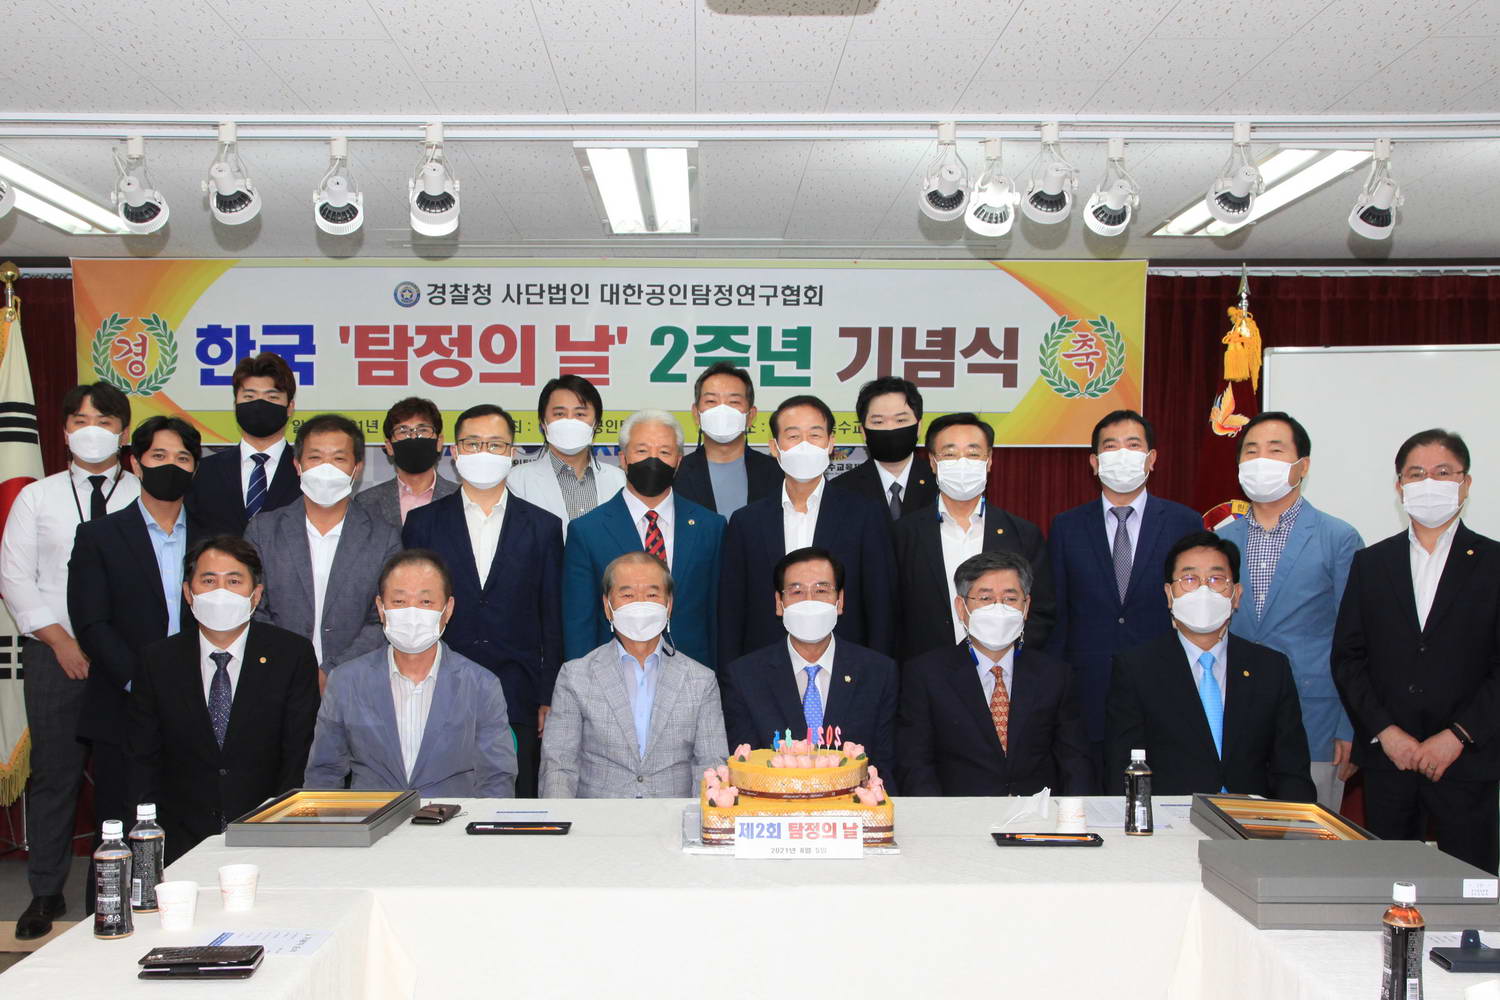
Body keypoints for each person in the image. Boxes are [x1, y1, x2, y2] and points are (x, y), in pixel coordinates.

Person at [0, 383, 138, 939]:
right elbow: (15, 577)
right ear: (62, 431)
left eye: (104, 421)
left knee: (126, 777)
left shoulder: (146, 492)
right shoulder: (38, 497)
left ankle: (124, 885)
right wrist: (61, 642)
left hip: (126, 660)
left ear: (124, 432)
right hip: (56, 655)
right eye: (79, 420)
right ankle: (45, 891)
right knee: (54, 775)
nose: (91, 430)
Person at [1334, 429, 1500, 874]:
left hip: (1468, 761)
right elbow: (1348, 658)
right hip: (1390, 761)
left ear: (1465, 483)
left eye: (1443, 473)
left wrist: (1457, 736)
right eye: (1416, 474)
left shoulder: (1493, 563)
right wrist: (1386, 732)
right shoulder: (1372, 563)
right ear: (1399, 486)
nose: (1429, 483)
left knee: (1470, 889)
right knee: (1390, 885)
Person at [68, 415, 204, 906]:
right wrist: (143, 682)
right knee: (120, 833)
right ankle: (106, 930)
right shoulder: (99, 536)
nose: (172, 466)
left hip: (199, 705)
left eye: (183, 458)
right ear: (135, 463)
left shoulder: (216, 537)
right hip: (123, 707)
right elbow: (91, 623)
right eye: (159, 456)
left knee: (190, 830)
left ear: (195, 469)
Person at [403, 404, 563, 798]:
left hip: (518, 693)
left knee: (514, 804)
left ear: (512, 452)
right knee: (440, 803)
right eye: (473, 443)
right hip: (439, 687)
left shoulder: (543, 526)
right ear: (454, 452)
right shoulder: (423, 523)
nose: (484, 453)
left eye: (495, 444)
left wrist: (548, 695)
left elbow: (552, 616)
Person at [128, 536, 319, 864]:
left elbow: (297, 755)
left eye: (234, 581)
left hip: (267, 834)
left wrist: (281, 829)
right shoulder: (157, 661)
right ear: (188, 592)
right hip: (179, 840)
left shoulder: (292, 655)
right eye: (208, 581)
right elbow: (142, 759)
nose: (221, 592)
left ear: (256, 594)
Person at [1046, 409, 1201, 790]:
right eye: (1111, 447)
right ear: (1094, 462)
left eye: (1133, 445)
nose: (1122, 454)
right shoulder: (1067, 526)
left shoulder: (1184, 522)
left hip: (1162, 687)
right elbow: (1058, 613)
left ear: (1151, 458)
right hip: (1088, 691)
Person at [1217, 411, 1363, 809]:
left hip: (1315, 721)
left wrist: (1349, 725)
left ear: (1303, 465)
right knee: (1234, 833)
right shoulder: (1221, 542)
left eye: (1275, 450)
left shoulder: (1338, 538)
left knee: (1309, 839)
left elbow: (1358, 639)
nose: (1261, 459)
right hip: (1235, 718)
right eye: (1251, 451)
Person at [1105, 532, 1315, 801]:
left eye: (1216, 579)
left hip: (1251, 820)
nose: (1203, 590)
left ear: (1236, 595)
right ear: (1169, 594)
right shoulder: (1136, 668)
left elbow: (1292, 772)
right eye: (1189, 579)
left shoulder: (1271, 668)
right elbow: (1122, 769)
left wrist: (1287, 823)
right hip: (1168, 819)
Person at [304, 549, 518, 797]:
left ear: (448, 609)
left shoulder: (482, 685)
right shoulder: (346, 681)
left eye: (426, 602)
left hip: (454, 819)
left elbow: (496, 779)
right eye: (399, 602)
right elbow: (324, 774)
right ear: (381, 608)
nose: (412, 613)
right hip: (372, 819)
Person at [718, 394, 896, 667]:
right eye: (793, 436)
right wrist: (731, 676)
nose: (804, 445)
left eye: (815, 435)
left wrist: (878, 672)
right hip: (765, 668)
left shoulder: (864, 515)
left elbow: (880, 605)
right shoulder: (746, 522)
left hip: (846, 665)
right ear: (774, 447)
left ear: (830, 443)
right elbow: (731, 610)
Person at [897, 551, 1090, 797]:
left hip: (1037, 814)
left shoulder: (1055, 676)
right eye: (985, 598)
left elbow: (1075, 762)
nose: (999, 608)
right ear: (961, 607)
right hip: (957, 813)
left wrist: (1074, 815)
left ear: (1026, 606)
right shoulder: (926, 675)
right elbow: (915, 764)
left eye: (1010, 598)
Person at [541, 552, 726, 798]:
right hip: (597, 818)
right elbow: (559, 766)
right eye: (627, 595)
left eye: (651, 595)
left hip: (673, 817)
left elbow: (711, 766)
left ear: (669, 605)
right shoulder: (575, 676)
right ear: (607, 606)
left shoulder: (701, 681)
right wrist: (561, 819)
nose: (640, 604)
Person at [563, 409, 724, 668]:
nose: (653, 460)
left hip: (693, 675)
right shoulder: (587, 531)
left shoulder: (711, 527)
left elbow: (718, 615)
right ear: (623, 458)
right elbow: (578, 623)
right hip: (611, 674)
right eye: (642, 451)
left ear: (678, 461)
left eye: (664, 452)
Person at [245, 414, 400, 685]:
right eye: (315, 458)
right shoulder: (262, 530)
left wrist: (334, 671)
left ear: (357, 468)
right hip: (276, 677)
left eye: (339, 458)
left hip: (356, 681)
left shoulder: (384, 537)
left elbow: (385, 616)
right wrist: (294, 667)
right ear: (298, 465)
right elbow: (252, 605)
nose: (326, 468)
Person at [720, 546, 897, 779]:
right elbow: (746, 769)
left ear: (840, 601)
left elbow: (883, 768)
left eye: (821, 590)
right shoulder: (744, 677)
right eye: (797, 592)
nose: (809, 602)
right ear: (779, 603)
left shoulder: (877, 673)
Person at [893, 412, 1055, 662]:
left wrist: (1006, 657)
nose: (962, 463)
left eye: (973, 454)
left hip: (1004, 669)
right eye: (950, 454)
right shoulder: (903, 534)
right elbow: (889, 611)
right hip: (925, 671)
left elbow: (1041, 610)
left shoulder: (1023, 534)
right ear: (933, 462)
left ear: (989, 461)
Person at [187, 352, 300, 536]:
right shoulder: (203, 472)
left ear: (290, 408)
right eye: (249, 397)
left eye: (272, 397)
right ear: (235, 405)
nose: (260, 405)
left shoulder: (307, 471)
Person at [506, 374, 625, 540]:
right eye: (559, 414)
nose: (570, 421)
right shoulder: (516, 481)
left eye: (580, 414)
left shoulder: (619, 480)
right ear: (543, 423)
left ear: (596, 423)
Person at [672, 361, 781, 518]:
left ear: (751, 415)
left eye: (734, 402)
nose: (722, 410)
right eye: (711, 401)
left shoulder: (778, 474)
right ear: (696, 414)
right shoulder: (675, 473)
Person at [828, 376, 937, 520]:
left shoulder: (940, 483)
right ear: (863, 431)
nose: (890, 428)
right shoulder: (839, 490)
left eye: (900, 420)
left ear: (919, 427)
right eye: (878, 422)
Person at [352, 396, 459, 528]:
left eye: (423, 430)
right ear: (389, 446)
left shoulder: (460, 498)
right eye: (403, 431)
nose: (413, 437)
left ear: (439, 442)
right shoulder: (366, 502)